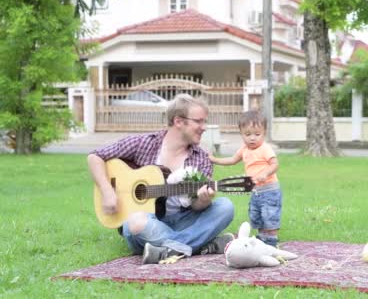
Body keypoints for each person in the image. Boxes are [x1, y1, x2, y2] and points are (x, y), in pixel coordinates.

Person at [87, 94, 235, 264]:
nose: (204, 127)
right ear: (178, 121)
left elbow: (196, 206)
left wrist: (203, 200)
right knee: (134, 222)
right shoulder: (144, 143)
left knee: (225, 207)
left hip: (183, 221)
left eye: (204, 122)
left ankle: (169, 249)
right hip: (147, 223)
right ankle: (200, 245)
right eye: (199, 121)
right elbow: (95, 157)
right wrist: (107, 191)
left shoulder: (202, 158)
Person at [209, 110, 281, 246]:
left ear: (264, 133)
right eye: (248, 134)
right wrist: (215, 160)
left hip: (269, 190)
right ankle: (262, 237)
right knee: (256, 214)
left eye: (257, 134)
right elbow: (232, 160)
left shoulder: (265, 149)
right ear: (241, 133)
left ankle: (271, 240)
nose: (252, 138)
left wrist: (265, 173)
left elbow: (274, 164)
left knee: (269, 215)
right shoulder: (244, 150)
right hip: (255, 191)